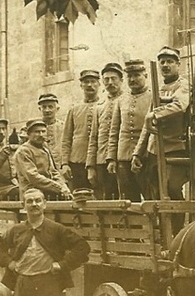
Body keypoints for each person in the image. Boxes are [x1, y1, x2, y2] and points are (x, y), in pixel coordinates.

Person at [132, 46, 190, 202]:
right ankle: (161, 226)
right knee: (154, 191)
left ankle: (178, 226)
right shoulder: (158, 88)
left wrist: (154, 114)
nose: (165, 65)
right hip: (155, 150)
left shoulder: (183, 85)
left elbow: (180, 105)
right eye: (162, 62)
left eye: (170, 61)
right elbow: (147, 125)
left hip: (175, 149)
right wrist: (137, 152)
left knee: (172, 188)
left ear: (178, 64)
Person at [107, 59, 151, 201]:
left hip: (146, 156)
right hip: (123, 157)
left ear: (145, 75)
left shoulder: (153, 97)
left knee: (151, 196)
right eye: (129, 76)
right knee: (128, 199)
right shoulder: (121, 100)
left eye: (137, 75)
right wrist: (112, 158)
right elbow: (114, 132)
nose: (132, 79)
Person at [88, 62, 124, 199]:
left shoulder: (127, 101)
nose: (110, 82)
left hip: (122, 158)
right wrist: (91, 166)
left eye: (113, 79)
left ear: (121, 80)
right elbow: (93, 138)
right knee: (108, 199)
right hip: (102, 160)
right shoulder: (100, 106)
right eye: (106, 79)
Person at [61, 69, 102, 191]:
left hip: (99, 161)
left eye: (93, 81)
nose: (89, 85)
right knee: (80, 197)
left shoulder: (104, 106)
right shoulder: (74, 109)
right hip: (77, 162)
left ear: (99, 84)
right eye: (86, 82)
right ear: (81, 85)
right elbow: (66, 139)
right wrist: (65, 164)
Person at [14, 119, 71, 200]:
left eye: (43, 131)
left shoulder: (45, 148)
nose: (41, 134)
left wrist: (63, 186)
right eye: (36, 132)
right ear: (28, 134)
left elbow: (54, 172)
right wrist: (59, 188)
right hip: (32, 193)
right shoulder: (23, 151)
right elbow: (33, 177)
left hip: (49, 190)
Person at [37, 93, 64, 167]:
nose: (47, 110)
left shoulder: (64, 127)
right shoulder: (33, 128)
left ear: (57, 108)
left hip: (61, 168)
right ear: (40, 109)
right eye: (44, 107)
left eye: (50, 107)